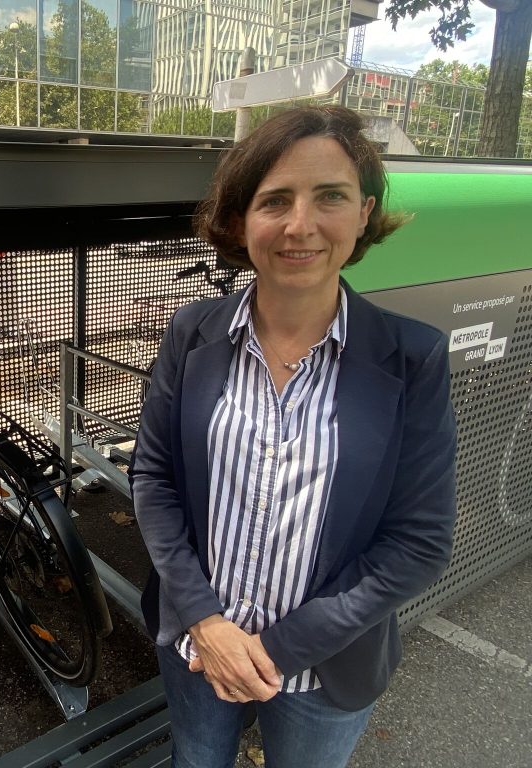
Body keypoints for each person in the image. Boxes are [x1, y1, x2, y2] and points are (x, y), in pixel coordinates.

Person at [130, 105, 457, 768]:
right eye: (274, 200)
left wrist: (271, 653)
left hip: (325, 669)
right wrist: (206, 623)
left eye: (329, 196)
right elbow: (154, 480)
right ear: (240, 220)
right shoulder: (192, 335)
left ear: (363, 213)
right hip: (199, 644)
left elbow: (418, 541)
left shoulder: (411, 358)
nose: (300, 225)